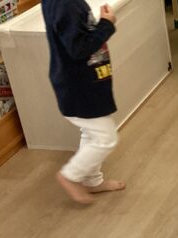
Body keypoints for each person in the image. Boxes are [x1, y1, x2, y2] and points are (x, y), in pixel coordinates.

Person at [42, 0, 126, 205]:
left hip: (87, 82)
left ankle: (92, 180)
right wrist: (106, 24)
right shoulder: (64, 4)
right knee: (106, 138)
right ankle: (70, 175)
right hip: (78, 88)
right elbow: (78, 48)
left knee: (91, 134)